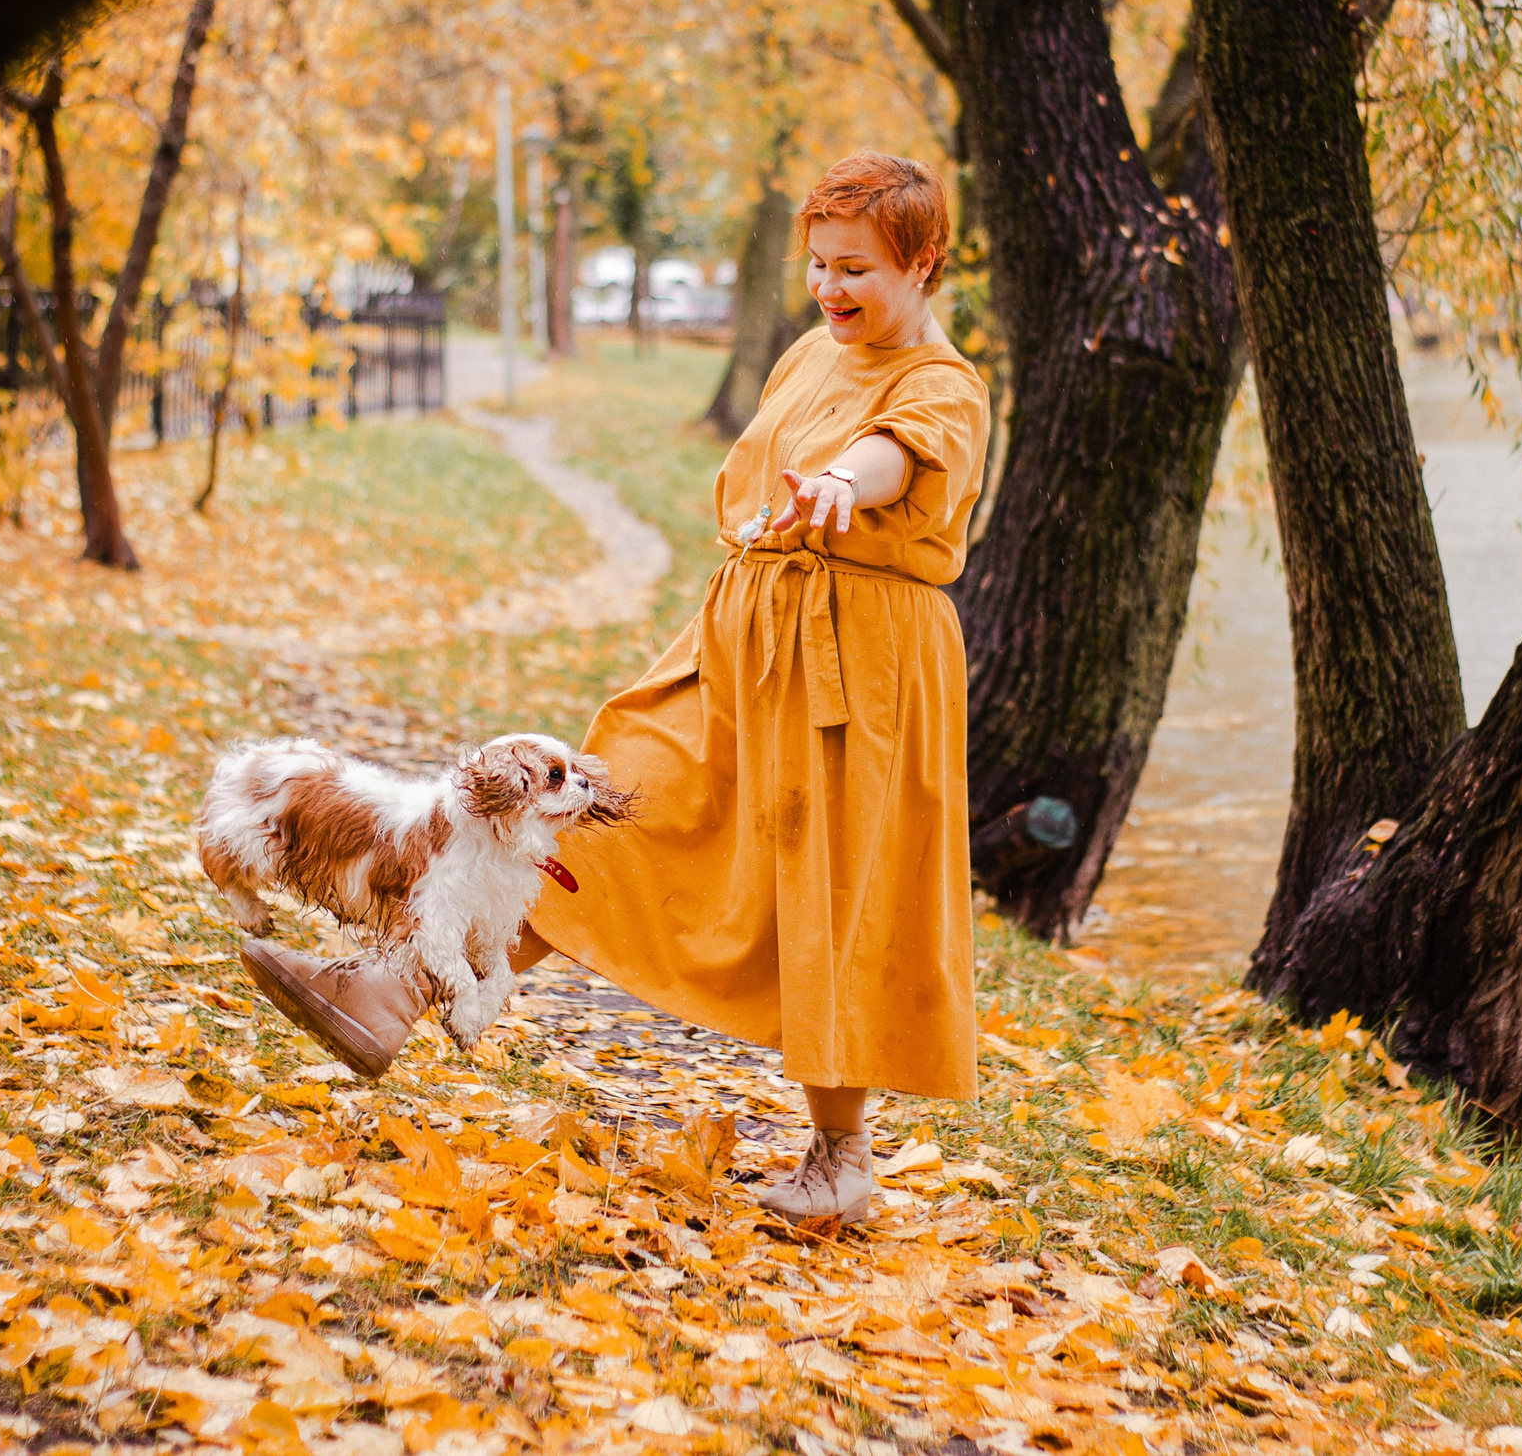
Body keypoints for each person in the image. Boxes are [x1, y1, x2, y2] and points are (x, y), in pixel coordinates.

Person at [242, 150, 990, 1222]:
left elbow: (896, 455)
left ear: (922, 263)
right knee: (596, 804)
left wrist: (839, 480)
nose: (829, 288)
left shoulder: (942, 386)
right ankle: (393, 993)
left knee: (828, 886)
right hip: (740, 640)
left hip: (857, 666)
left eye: (856, 269)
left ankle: (842, 1155)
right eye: (819, 264)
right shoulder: (807, 355)